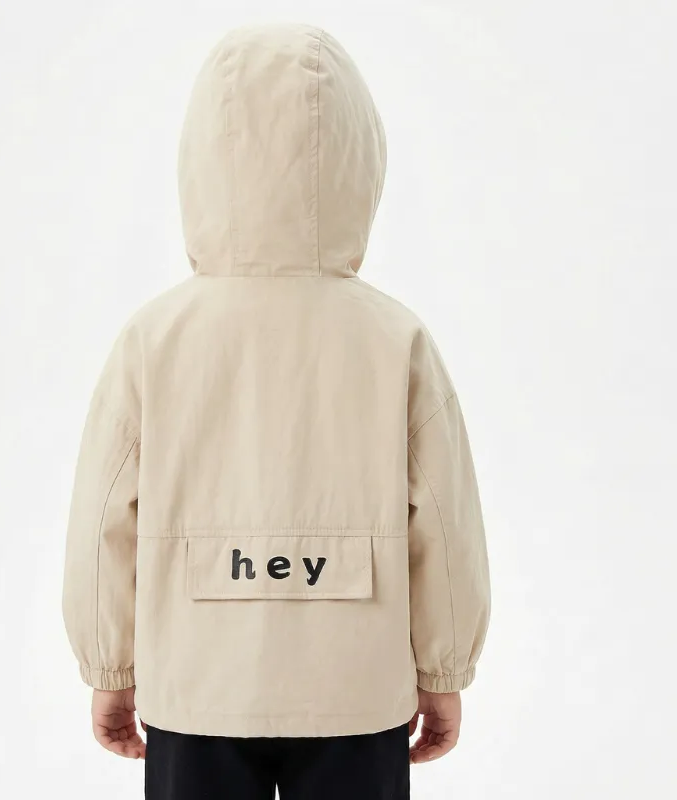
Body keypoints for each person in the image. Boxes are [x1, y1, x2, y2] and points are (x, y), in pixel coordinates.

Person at [62, 22, 491, 800]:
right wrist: (444, 669)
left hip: (196, 680)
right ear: (360, 162)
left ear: (201, 161)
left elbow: (102, 521)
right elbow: (445, 520)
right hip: (356, 687)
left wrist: (110, 666)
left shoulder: (154, 338)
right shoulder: (394, 339)